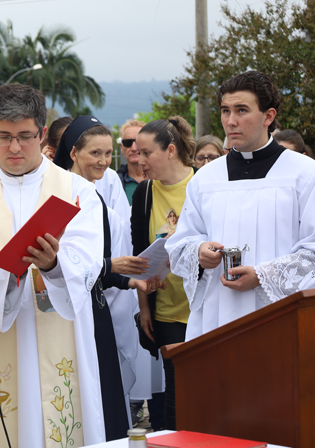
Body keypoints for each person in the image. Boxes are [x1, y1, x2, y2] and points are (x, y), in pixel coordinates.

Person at [0, 84, 108, 446]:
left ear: (42, 133)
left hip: (62, 331)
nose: (14, 148)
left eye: (25, 136)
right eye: (4, 137)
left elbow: (89, 261)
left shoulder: (78, 191)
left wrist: (54, 265)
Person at [166, 71, 315, 341]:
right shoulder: (205, 178)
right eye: (225, 111)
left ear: (268, 116)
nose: (231, 121)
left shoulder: (305, 174)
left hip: (280, 316)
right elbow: (180, 244)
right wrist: (198, 252)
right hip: (215, 315)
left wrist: (262, 275)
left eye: (241, 110)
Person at [54, 116, 157, 439]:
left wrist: (131, 280)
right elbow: (60, 261)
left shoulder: (95, 196)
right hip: (68, 311)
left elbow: (104, 268)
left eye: (107, 153)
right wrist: (112, 266)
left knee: (106, 400)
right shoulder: (60, 195)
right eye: (94, 153)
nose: (102, 161)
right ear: (73, 153)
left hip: (96, 309)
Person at [131, 116, 196, 430]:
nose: (139, 161)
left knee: (208, 384)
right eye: (137, 153)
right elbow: (139, 254)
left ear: (171, 150)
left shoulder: (202, 185)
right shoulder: (143, 194)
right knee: (176, 389)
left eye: (147, 153)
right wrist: (144, 307)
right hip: (166, 309)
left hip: (202, 306)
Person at [117, 119, 146, 205]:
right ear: (122, 148)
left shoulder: (162, 180)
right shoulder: (114, 183)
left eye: (138, 142)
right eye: (127, 143)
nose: (134, 148)